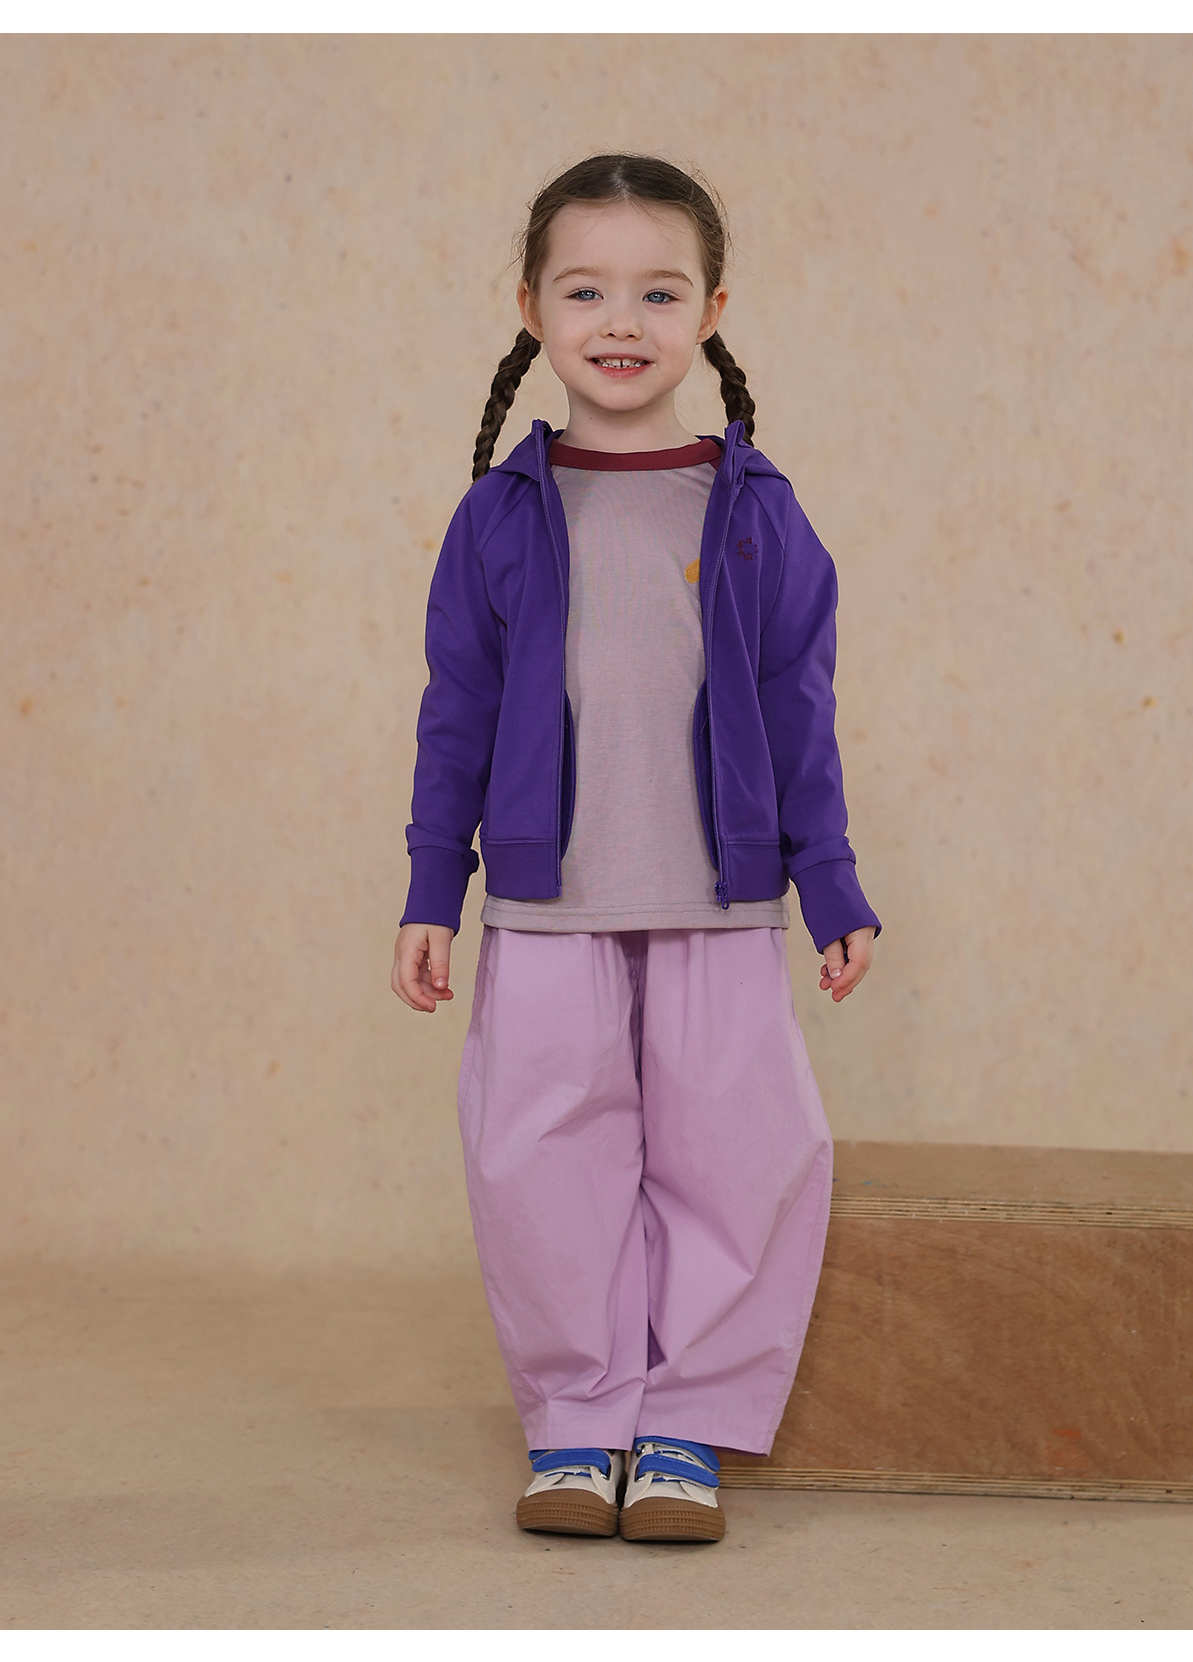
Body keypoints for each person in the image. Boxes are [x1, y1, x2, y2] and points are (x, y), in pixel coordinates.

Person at [391, 153, 881, 1544]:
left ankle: (686, 1425)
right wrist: (435, 888)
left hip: (721, 902)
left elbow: (799, 705)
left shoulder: (758, 511)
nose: (622, 320)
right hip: (546, 905)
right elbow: (456, 709)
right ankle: (577, 1417)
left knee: (739, 1153)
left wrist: (830, 881)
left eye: (659, 292)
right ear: (532, 309)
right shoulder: (497, 517)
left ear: (712, 310)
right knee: (542, 1156)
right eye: (586, 290)